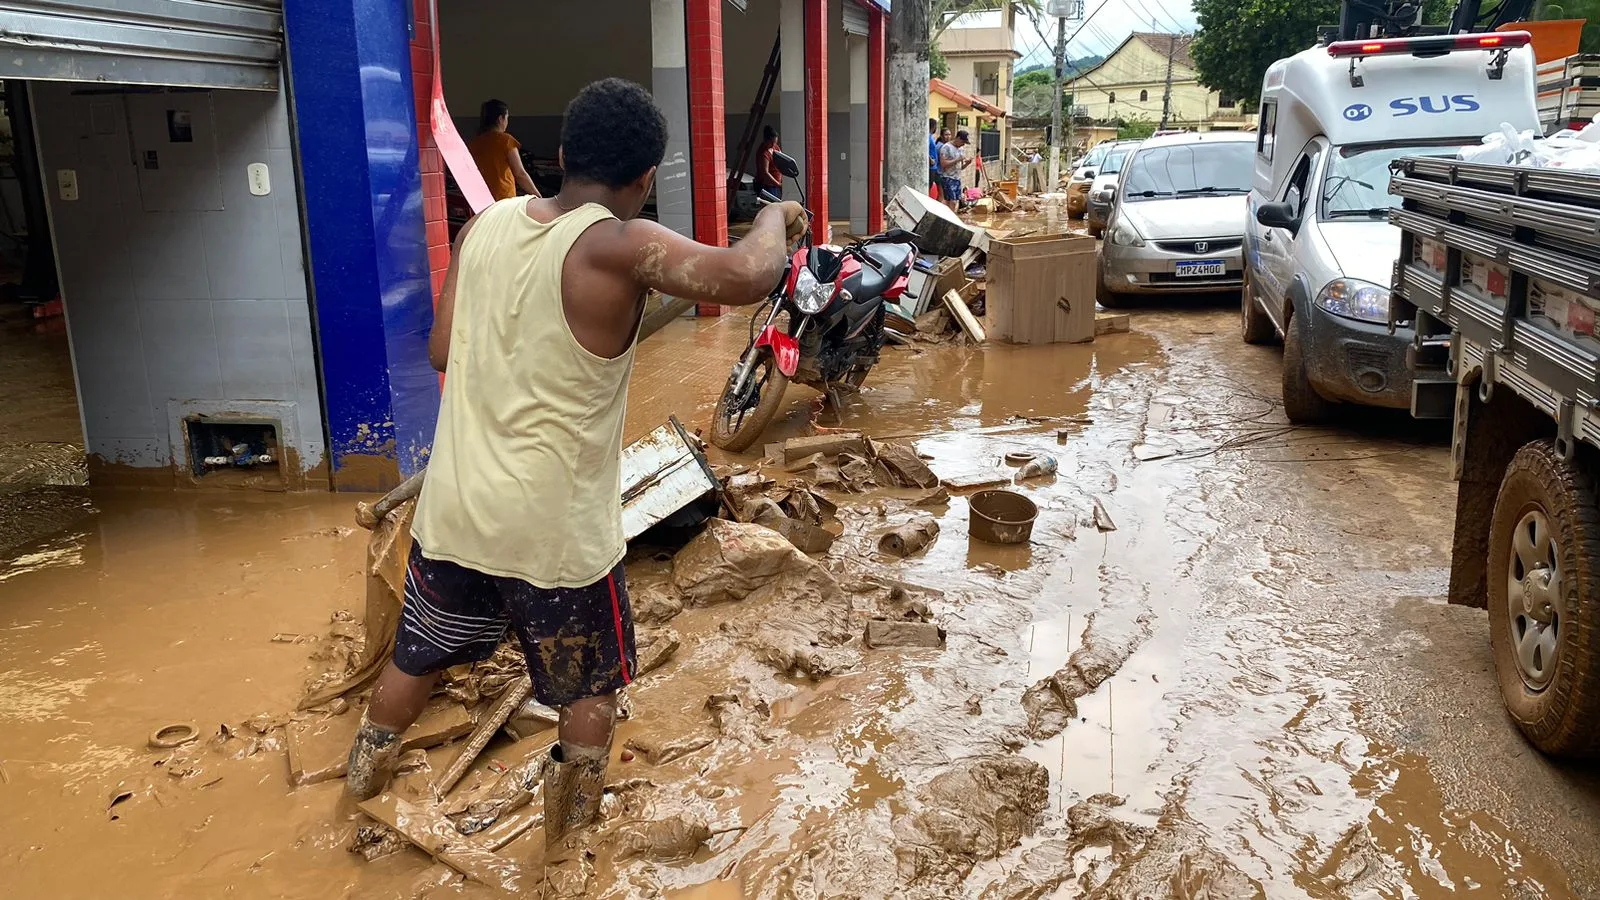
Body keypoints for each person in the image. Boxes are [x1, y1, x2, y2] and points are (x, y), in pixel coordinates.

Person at [344, 79, 807, 858]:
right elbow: (747, 277)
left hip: (456, 512)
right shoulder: (616, 245)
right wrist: (772, 217)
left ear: (559, 156)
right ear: (645, 179)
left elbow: (441, 351)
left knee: (417, 655)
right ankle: (570, 846)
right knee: (588, 684)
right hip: (553, 538)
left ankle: (359, 782)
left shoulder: (482, 228)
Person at [469, 99, 540, 201]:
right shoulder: (506, 141)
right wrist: (537, 196)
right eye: (507, 117)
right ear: (500, 119)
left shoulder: (474, 143)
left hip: (480, 200)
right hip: (503, 199)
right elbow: (520, 173)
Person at [939, 129, 972, 212]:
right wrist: (957, 160)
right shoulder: (946, 147)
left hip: (957, 179)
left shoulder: (960, 149)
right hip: (948, 178)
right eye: (963, 142)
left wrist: (967, 163)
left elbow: (960, 167)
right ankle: (949, 220)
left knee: (955, 202)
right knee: (951, 201)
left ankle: (951, 218)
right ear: (958, 138)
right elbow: (943, 164)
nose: (963, 144)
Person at [755, 125, 783, 199]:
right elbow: (765, 172)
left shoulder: (775, 147)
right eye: (771, 142)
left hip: (777, 185)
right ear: (766, 140)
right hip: (768, 186)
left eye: (775, 142)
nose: (773, 145)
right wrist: (778, 184)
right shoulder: (763, 153)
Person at [928, 118, 941, 199]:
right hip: (931, 166)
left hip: (934, 167)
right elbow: (925, 149)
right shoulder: (928, 137)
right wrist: (930, 159)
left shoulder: (931, 137)